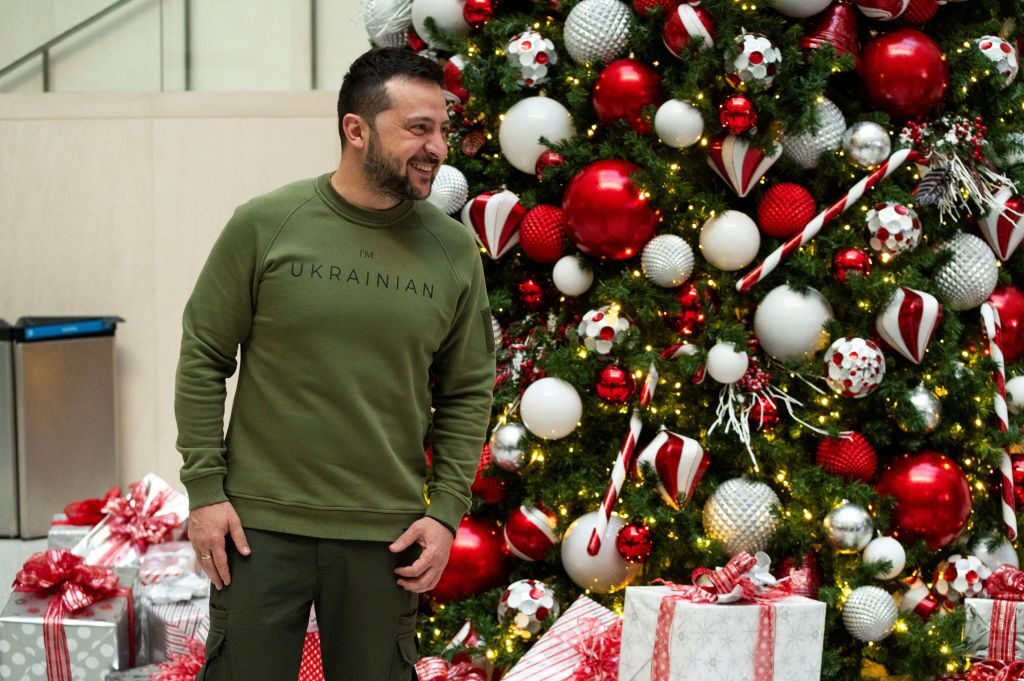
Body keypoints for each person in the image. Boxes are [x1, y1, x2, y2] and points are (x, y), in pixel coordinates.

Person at [174, 46, 495, 681]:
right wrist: (205, 490)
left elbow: (467, 389)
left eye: (442, 128)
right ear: (356, 130)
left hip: (388, 541)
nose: (437, 146)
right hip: (256, 531)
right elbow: (204, 355)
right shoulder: (266, 225)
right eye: (417, 128)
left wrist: (446, 510)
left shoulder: (454, 250)